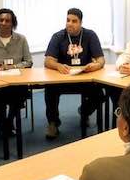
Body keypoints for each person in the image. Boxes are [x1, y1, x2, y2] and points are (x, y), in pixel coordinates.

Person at [44, 8, 105, 139]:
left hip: (85, 78)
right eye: (67, 20)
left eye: (74, 21)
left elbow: (101, 60)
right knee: (49, 90)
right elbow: (48, 61)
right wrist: (58, 65)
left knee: (99, 94)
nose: (69, 24)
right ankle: (53, 123)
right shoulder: (58, 36)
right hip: (63, 79)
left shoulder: (90, 35)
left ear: (81, 23)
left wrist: (95, 66)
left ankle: (84, 112)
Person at [0, 8, 33, 140]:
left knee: (19, 93)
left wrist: (13, 66)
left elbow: (29, 61)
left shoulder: (21, 39)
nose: (3, 23)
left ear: (12, 23)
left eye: (7, 20)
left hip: (16, 81)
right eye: (1, 20)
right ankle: (3, 122)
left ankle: (8, 122)